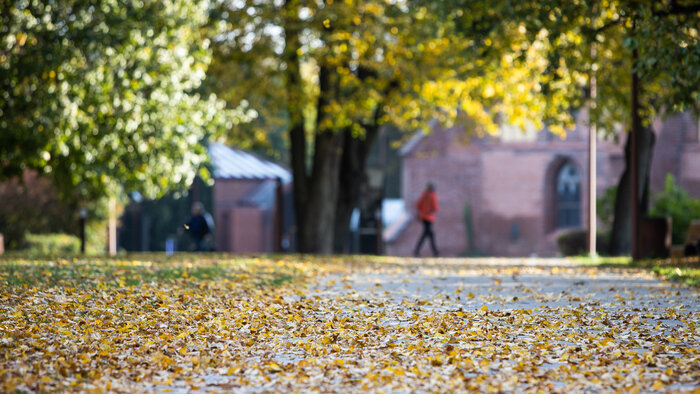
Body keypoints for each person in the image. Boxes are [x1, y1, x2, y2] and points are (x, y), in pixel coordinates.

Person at [413, 182, 440, 257]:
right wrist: (431, 210)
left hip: (423, 217)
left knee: (429, 234)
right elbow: (435, 207)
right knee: (427, 234)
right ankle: (418, 251)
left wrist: (422, 211)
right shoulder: (433, 195)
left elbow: (418, 205)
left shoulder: (424, 194)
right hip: (429, 217)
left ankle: (435, 251)